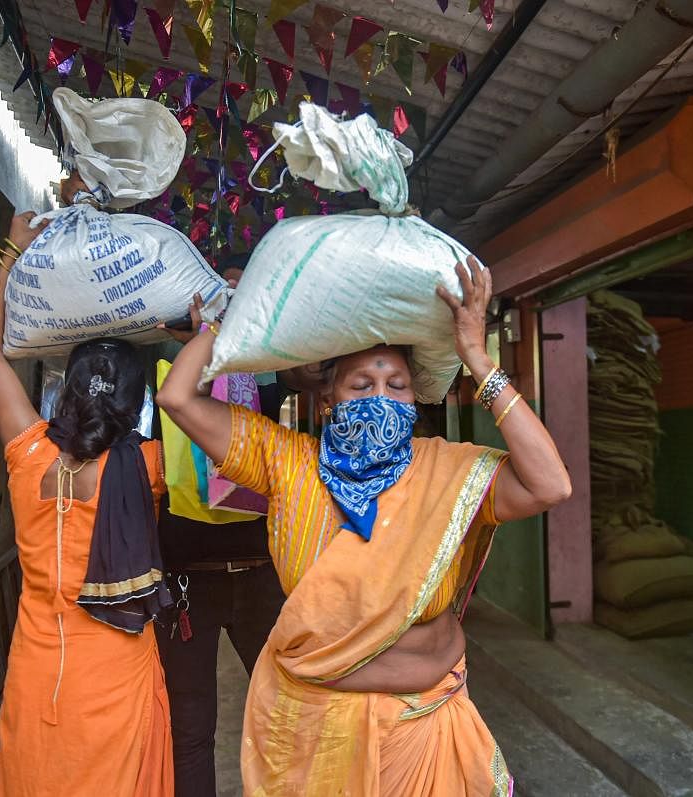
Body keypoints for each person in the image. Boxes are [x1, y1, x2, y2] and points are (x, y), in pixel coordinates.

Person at [156, 255, 572, 795]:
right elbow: (176, 397)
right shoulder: (286, 460)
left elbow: (550, 485)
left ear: (415, 398)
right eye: (361, 385)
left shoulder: (445, 467)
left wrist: (477, 358)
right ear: (327, 398)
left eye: (397, 385)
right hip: (316, 728)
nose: (380, 399)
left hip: (425, 727)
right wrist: (222, 325)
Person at [0, 209, 174, 796]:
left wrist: (11, 252)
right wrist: (200, 334)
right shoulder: (150, 467)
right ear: (141, 401)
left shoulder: (27, 451)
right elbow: (194, 403)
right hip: (115, 673)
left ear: (63, 387)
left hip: (39, 669)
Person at [150, 269, 288, 797]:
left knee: (287, 715)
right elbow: (170, 399)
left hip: (259, 577)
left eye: (240, 293)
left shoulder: (269, 368)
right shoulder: (165, 367)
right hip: (188, 583)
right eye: (220, 294)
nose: (228, 304)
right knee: (190, 729)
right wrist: (201, 338)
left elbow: (311, 373)